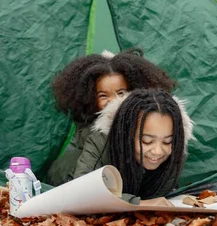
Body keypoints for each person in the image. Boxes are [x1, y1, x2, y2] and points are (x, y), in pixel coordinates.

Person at [45, 49, 176, 186]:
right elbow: (85, 186)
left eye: (121, 93)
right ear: (90, 98)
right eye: (103, 95)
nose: (114, 101)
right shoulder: (95, 133)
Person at [72, 89, 193, 201]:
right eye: (147, 141)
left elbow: (157, 197)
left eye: (167, 141)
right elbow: (82, 192)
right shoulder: (100, 143)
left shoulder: (176, 152)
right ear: (126, 134)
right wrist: (137, 203)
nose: (158, 151)